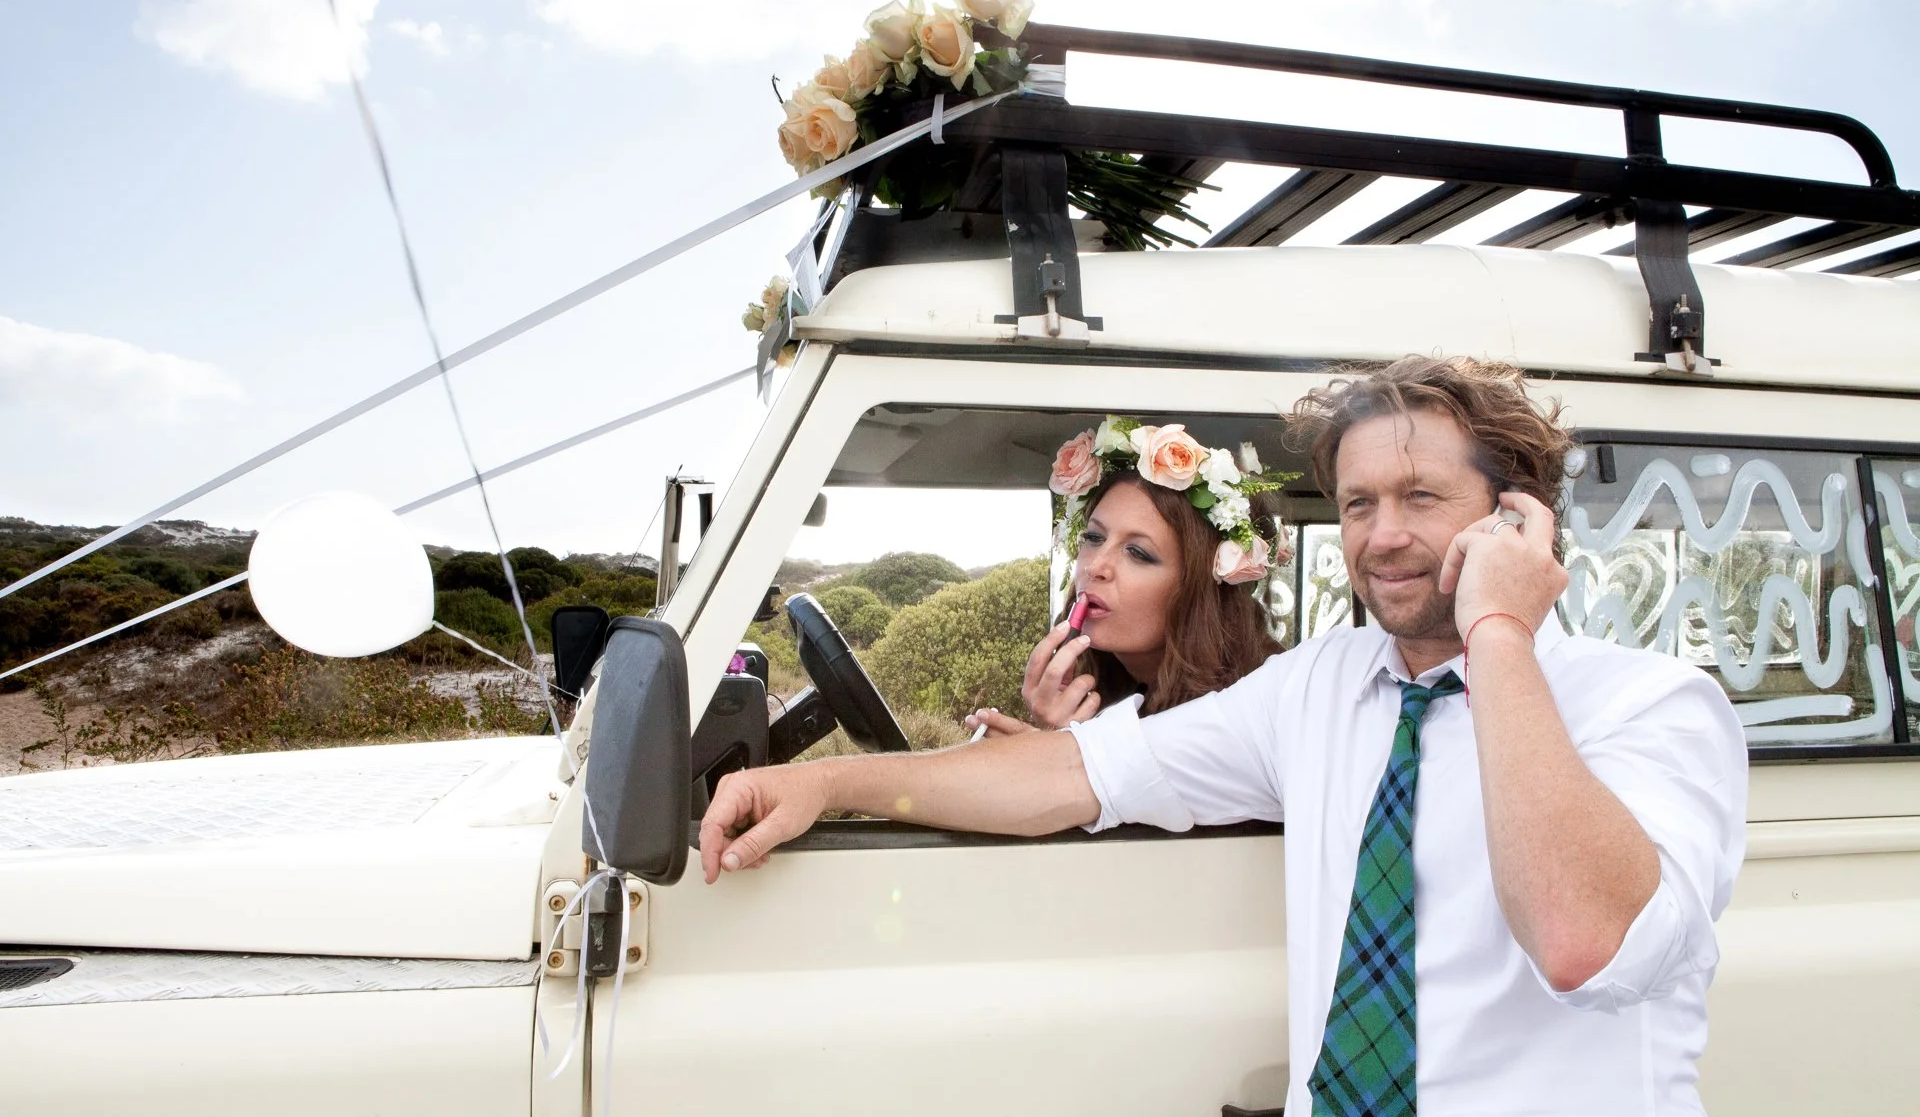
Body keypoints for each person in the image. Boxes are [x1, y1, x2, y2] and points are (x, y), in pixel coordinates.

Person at [700, 356, 1748, 1116]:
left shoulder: (1654, 704)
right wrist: (832, 783)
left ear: (1518, 517)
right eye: (1358, 502)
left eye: (1421, 496)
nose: (1381, 534)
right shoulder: (1319, 688)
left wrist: (1500, 627)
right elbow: (1074, 773)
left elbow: (1581, 940)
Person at [965, 415, 1283, 737]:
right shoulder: (1109, 692)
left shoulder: (1252, 710)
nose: (1094, 567)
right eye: (1093, 538)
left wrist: (1062, 755)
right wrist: (1048, 745)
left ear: (1202, 589)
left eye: (1138, 553)